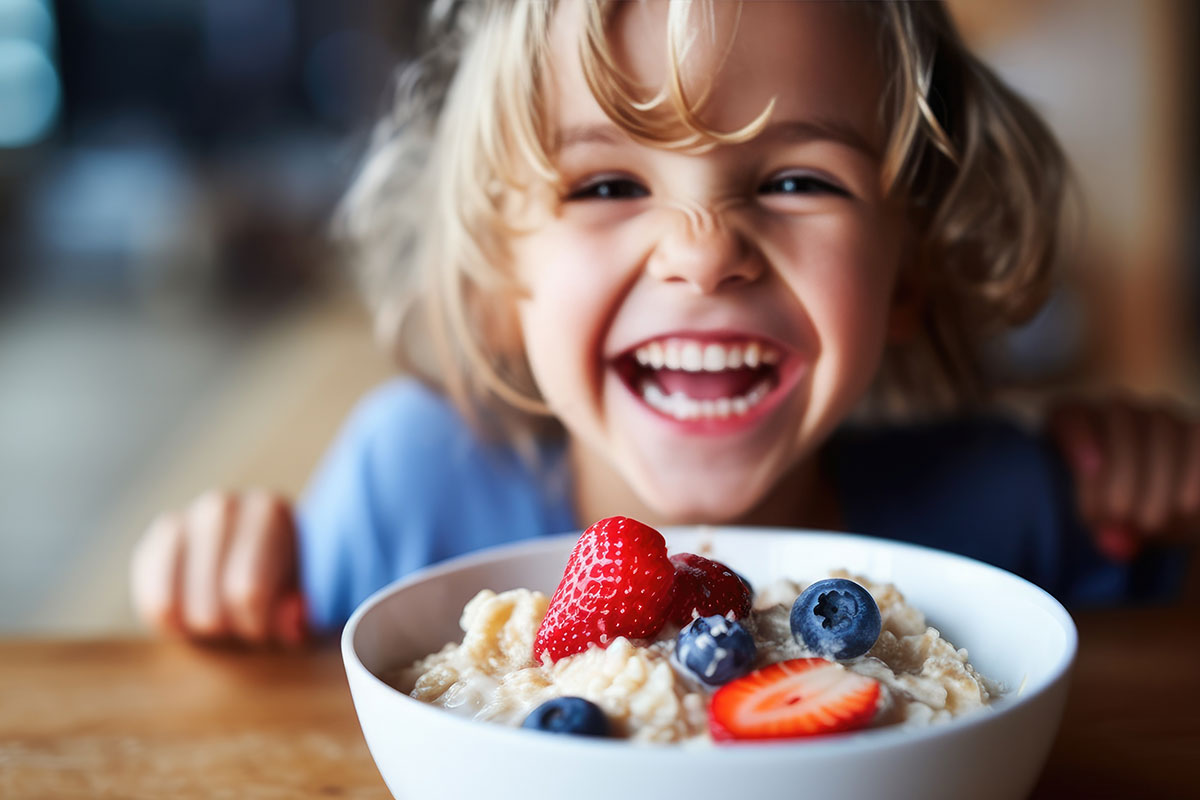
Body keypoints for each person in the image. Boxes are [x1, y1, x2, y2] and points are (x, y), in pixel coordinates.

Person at [130, 0, 1198, 646]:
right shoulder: (408, 489)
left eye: (793, 179)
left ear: (910, 264)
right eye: (604, 187)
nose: (701, 248)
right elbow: (276, 677)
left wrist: (1152, 482)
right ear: (503, 274)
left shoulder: (1008, 515)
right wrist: (223, 576)